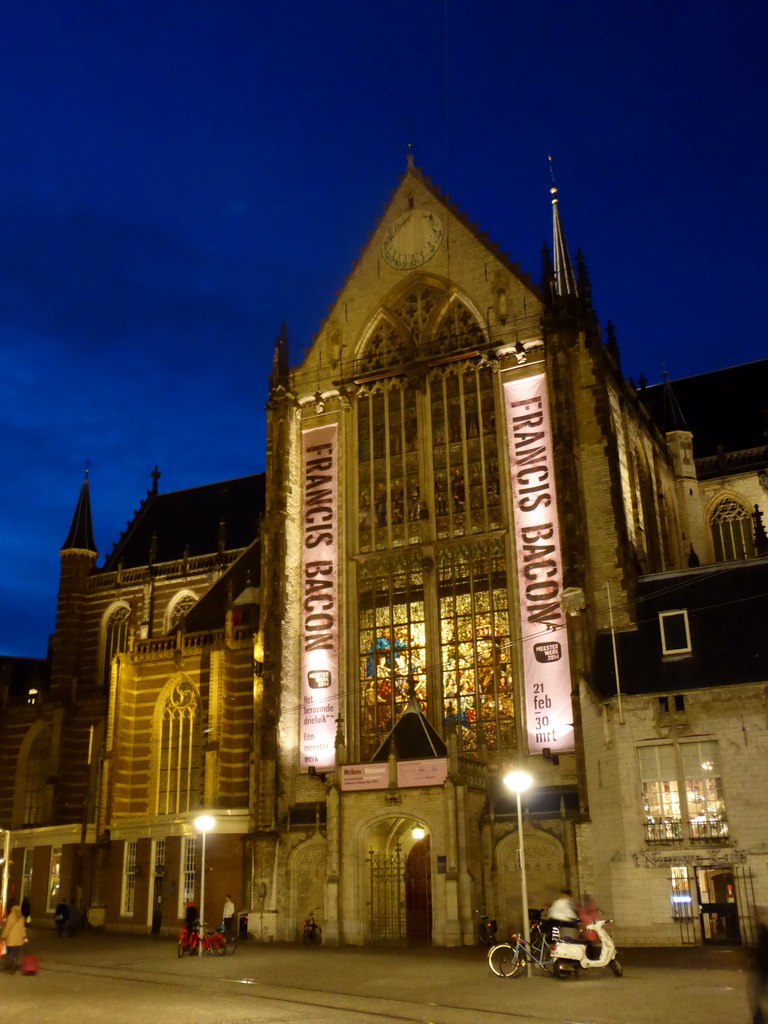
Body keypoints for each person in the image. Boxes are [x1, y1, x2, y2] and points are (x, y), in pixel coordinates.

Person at [1, 899, 27, 972]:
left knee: (9, 953)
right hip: (19, 939)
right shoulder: (21, 915)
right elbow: (22, 928)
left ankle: (10, 966)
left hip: (11, 939)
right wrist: (24, 936)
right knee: (15, 953)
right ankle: (13, 965)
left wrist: (3, 936)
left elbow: (7, 927)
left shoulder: (11, 915)